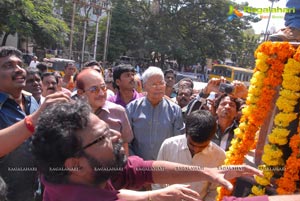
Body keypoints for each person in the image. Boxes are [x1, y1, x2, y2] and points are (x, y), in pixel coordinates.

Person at [30, 100, 263, 201]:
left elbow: (142, 169)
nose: (117, 135)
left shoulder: (93, 168)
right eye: (102, 137)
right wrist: (154, 195)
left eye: (109, 129)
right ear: (74, 164)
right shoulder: (70, 195)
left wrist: (206, 173)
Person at [0, 45, 69, 201]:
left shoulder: (32, 101)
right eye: (8, 66)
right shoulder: (38, 110)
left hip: (38, 191)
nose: (18, 69)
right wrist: (33, 120)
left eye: (19, 64)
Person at [153, 110, 225, 201]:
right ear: (186, 132)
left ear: (212, 138)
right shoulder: (169, 146)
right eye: (192, 145)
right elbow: (157, 178)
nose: (196, 149)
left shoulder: (219, 156)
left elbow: (214, 190)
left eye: (202, 146)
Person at [126, 66, 185, 160]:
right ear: (145, 86)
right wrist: (135, 161)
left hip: (165, 167)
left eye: (161, 83)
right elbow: (126, 142)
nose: (158, 87)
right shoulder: (132, 108)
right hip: (138, 167)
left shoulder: (174, 110)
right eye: (154, 84)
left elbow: (179, 142)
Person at [76, 69, 133, 155]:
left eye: (103, 87)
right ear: (81, 93)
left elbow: (125, 145)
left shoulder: (118, 112)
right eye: (94, 89)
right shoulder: (73, 115)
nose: (101, 93)